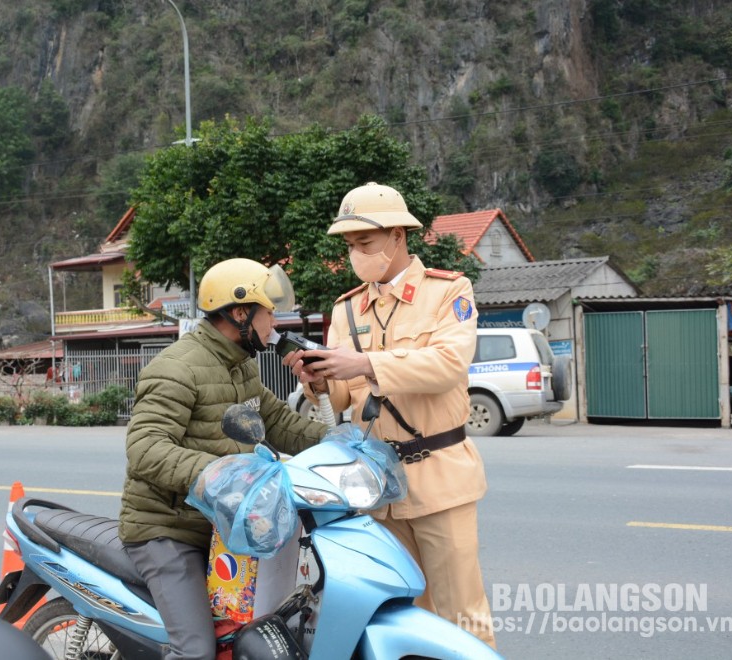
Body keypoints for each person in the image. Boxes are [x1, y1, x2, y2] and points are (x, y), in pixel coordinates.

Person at [283, 182, 496, 649]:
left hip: (440, 478)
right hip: (377, 486)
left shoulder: (448, 291)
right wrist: (317, 379)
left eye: (366, 242)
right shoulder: (347, 307)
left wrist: (365, 364)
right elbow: (339, 399)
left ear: (398, 236)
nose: (356, 253)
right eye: (350, 245)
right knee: (399, 616)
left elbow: (447, 365)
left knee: (462, 613)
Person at [119, 257, 328, 660]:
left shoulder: (240, 366)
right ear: (239, 313)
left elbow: (279, 422)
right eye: (269, 314)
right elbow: (145, 448)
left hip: (227, 527)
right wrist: (219, 474)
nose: (275, 326)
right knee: (197, 650)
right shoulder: (178, 367)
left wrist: (340, 443)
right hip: (170, 530)